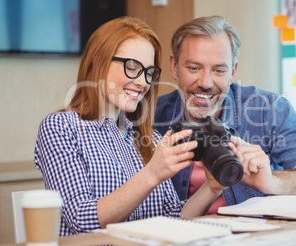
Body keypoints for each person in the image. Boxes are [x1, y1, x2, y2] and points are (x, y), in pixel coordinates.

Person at [34, 16, 226, 236]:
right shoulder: (61, 127)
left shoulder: (148, 138)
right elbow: (81, 219)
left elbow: (173, 218)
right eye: (132, 67)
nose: (143, 82)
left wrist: (211, 188)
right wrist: (152, 174)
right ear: (99, 62)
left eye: (148, 72)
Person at [154, 15, 296, 214]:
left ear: (233, 72)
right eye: (194, 68)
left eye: (219, 70)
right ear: (174, 67)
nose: (206, 83)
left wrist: (272, 181)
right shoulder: (153, 116)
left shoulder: (268, 110)